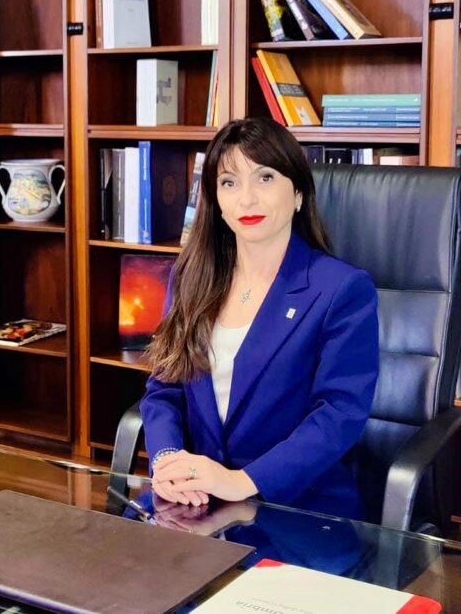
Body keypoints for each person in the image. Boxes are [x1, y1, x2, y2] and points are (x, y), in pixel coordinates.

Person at [141, 117, 379, 521]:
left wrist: (242, 481)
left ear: (298, 193)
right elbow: (164, 388)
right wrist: (167, 461)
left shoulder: (341, 289)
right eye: (229, 183)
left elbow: (339, 414)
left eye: (265, 178)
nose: (246, 199)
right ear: (216, 201)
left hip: (296, 508)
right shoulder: (191, 277)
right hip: (195, 500)